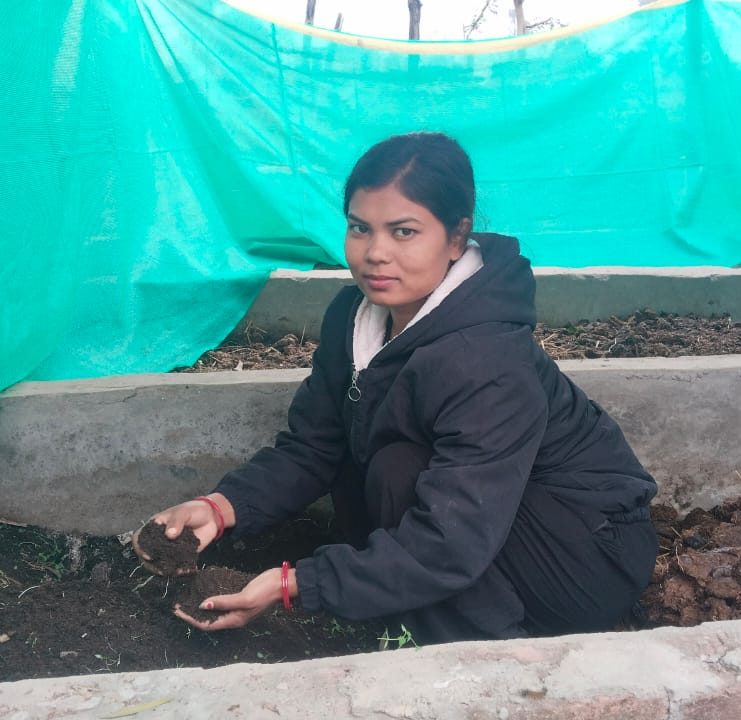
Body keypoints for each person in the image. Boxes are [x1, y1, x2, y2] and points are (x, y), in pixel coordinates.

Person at [134, 132, 658, 643]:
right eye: (360, 228)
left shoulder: (487, 361)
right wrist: (222, 508)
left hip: (581, 557)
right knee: (381, 458)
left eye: (404, 232)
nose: (375, 253)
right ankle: (411, 607)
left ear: (456, 237)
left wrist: (298, 585)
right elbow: (315, 444)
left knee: (399, 466)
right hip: (487, 521)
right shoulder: (353, 318)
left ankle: (475, 649)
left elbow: (452, 540)